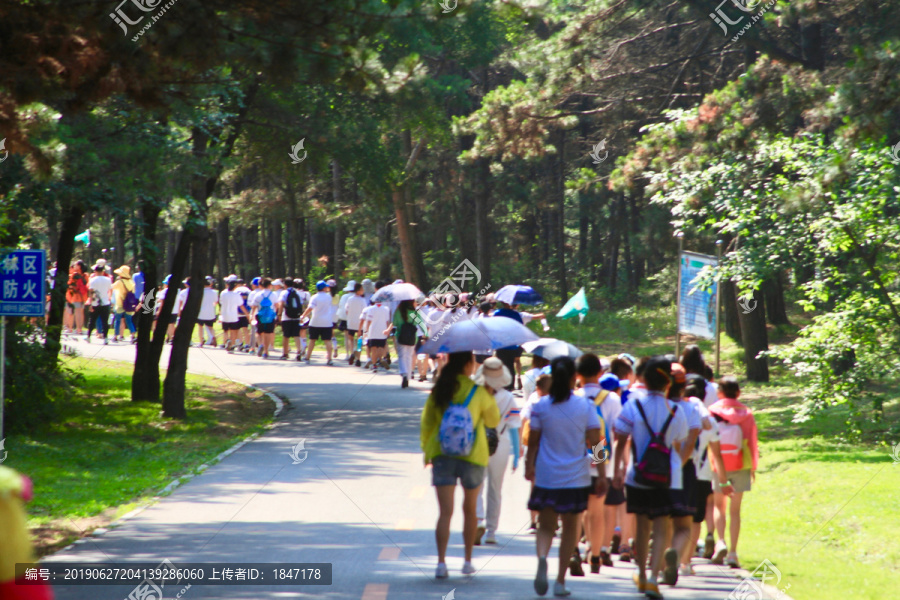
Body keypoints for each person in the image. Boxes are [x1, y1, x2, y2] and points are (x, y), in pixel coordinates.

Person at [525, 356, 603, 597]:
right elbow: (596, 442)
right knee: (570, 527)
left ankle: (541, 558)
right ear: (573, 378)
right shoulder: (585, 406)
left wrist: (529, 466)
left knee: (546, 526)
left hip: (547, 475)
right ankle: (560, 580)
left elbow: (534, 442)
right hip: (576, 476)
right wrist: (600, 473)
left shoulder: (541, 406)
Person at [612, 356, 688, 600]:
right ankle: (655, 578)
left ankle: (642, 574)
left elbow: (620, 439)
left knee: (642, 526)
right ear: (668, 383)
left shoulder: (633, 406)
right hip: (666, 477)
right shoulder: (676, 411)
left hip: (637, 475)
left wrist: (616, 471)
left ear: (643, 379)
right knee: (661, 526)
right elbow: (679, 440)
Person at [420, 351, 500, 579]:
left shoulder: (440, 389)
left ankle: (441, 563)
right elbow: (493, 421)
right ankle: (467, 561)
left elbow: (427, 422)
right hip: (473, 456)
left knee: (445, 513)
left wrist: (427, 452)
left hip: (442, 454)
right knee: (470, 511)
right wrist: (489, 395)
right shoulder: (478, 391)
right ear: (468, 364)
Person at [681, 373, 732, 576]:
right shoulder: (710, 421)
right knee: (695, 519)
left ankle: (671, 555)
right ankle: (685, 562)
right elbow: (717, 455)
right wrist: (723, 481)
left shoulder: (677, 411)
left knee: (674, 516)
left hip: (677, 472)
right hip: (701, 475)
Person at [575, 354, 623, 573]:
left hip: (575, 461)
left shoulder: (572, 397)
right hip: (601, 457)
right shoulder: (612, 399)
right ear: (600, 374)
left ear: (577, 375)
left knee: (576, 510)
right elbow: (618, 431)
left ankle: (574, 549)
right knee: (596, 511)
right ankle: (595, 555)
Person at [709, 375, 758, 569]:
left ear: (719, 393)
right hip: (740, 463)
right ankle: (733, 553)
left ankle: (720, 541)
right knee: (735, 510)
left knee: (718, 506)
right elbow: (752, 442)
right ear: (738, 392)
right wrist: (753, 467)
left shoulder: (712, 411)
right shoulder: (746, 413)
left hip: (718, 463)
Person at [661, 363, 702, 587]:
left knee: (663, 520)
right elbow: (691, 442)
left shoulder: (660, 406)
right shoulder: (690, 409)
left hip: (658, 468)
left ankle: (661, 560)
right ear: (684, 385)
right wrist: (681, 463)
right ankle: (674, 557)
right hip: (684, 470)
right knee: (684, 524)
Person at [473, 357, 521, 546]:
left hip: (477, 444)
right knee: (496, 489)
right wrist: (517, 455)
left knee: (476, 486)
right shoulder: (508, 398)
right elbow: (514, 426)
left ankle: (478, 520)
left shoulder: (475, 394)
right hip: (501, 443)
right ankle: (491, 531)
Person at [388, 299, 422, 388]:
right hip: (412, 337)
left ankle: (404, 373)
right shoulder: (415, 311)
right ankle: (408, 375)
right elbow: (420, 322)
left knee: (402, 356)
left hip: (401, 336)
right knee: (409, 356)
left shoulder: (398, 311)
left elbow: (394, 323)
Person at [301, 280, 336, 365]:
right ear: (323, 288)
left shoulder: (315, 297)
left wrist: (303, 316)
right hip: (327, 322)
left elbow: (310, 308)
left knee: (312, 340)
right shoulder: (328, 297)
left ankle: (307, 357)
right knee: (327, 340)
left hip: (315, 321)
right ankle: (330, 359)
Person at [492, 301, 524, 392]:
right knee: (510, 364)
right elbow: (520, 327)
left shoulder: (497, 313)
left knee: (501, 364)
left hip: (500, 343)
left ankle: (502, 384)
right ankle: (510, 385)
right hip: (512, 343)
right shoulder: (515, 314)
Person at [361, 298, 391, 372]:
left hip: (373, 332)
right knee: (380, 348)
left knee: (373, 349)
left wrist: (365, 332)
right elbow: (387, 321)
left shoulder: (371, 309)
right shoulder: (386, 309)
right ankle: (379, 359)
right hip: (382, 331)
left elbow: (368, 321)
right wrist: (388, 330)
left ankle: (374, 365)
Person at [250, 278, 278, 359]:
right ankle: (266, 351)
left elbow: (254, 306)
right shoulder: (273, 295)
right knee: (268, 333)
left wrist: (252, 316)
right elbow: (277, 305)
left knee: (258, 332)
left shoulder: (258, 294)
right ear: (269, 285)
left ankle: (261, 344)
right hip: (271, 316)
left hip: (260, 315)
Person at [110, 265, 137, 343]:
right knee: (129, 320)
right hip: (129, 304)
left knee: (117, 320)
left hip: (120, 303)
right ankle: (133, 335)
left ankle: (116, 336)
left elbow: (111, 287)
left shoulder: (119, 282)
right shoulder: (131, 282)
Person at [87, 263, 112, 344]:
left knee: (92, 320)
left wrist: (90, 303)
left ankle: (88, 336)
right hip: (105, 302)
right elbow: (110, 290)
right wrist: (109, 298)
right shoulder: (108, 279)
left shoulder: (93, 280)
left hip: (95, 303)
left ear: (95, 271)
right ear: (103, 271)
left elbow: (91, 292)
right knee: (105, 321)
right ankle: (106, 338)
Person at [344, 283, 367, 365]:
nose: (363, 291)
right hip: (360, 323)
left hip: (351, 322)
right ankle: (358, 358)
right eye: (362, 289)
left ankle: (352, 352)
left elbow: (346, 310)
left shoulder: (350, 299)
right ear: (358, 290)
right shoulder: (362, 300)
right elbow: (365, 312)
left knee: (350, 339)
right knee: (359, 340)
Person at [65, 261, 89, 335]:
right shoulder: (86, 275)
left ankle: (78, 329)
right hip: (84, 295)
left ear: (79, 266)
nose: (74, 267)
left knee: (77, 312)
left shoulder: (74, 275)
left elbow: (70, 284)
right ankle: (80, 328)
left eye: (75, 265)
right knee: (81, 312)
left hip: (76, 295)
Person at [219, 276, 243, 353]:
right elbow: (240, 304)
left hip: (225, 315)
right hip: (233, 315)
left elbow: (221, 302)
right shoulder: (236, 294)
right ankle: (232, 345)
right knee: (233, 331)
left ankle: (227, 340)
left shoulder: (223, 293)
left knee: (226, 331)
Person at [336, 280, 357, 359]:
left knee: (347, 337)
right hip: (357, 319)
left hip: (346, 319)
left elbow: (341, 307)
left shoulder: (345, 297)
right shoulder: (359, 297)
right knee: (357, 337)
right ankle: (356, 351)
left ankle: (348, 354)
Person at [197, 277, 219, 348]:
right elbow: (215, 302)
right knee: (210, 327)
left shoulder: (200, 291)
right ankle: (213, 336)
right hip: (210, 312)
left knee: (200, 327)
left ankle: (201, 341)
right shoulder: (214, 292)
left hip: (201, 312)